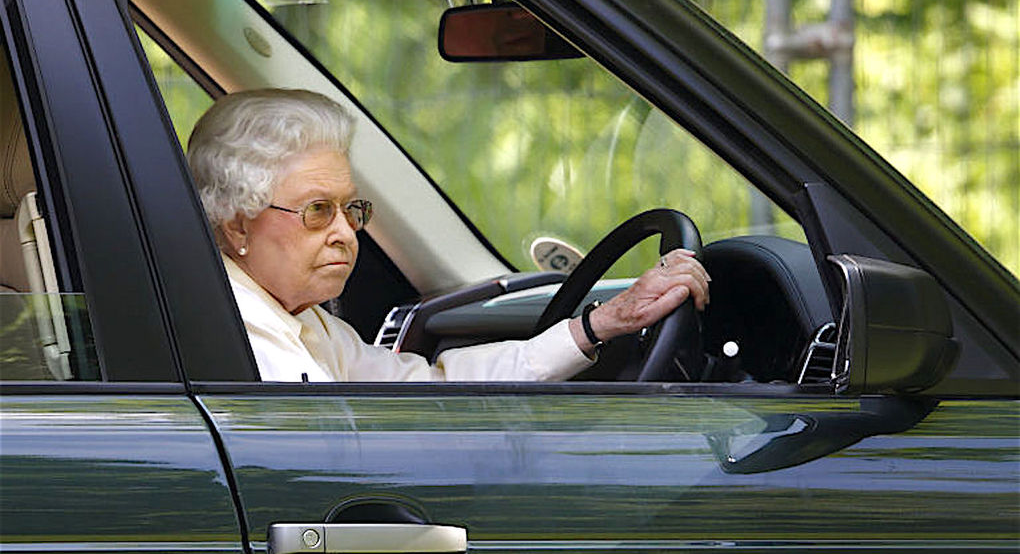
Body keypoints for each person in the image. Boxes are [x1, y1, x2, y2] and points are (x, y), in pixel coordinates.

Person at [187, 88, 710, 382]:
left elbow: (430, 389)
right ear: (237, 224)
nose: (346, 232)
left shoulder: (304, 322)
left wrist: (600, 324)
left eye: (351, 209)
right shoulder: (235, 332)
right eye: (318, 211)